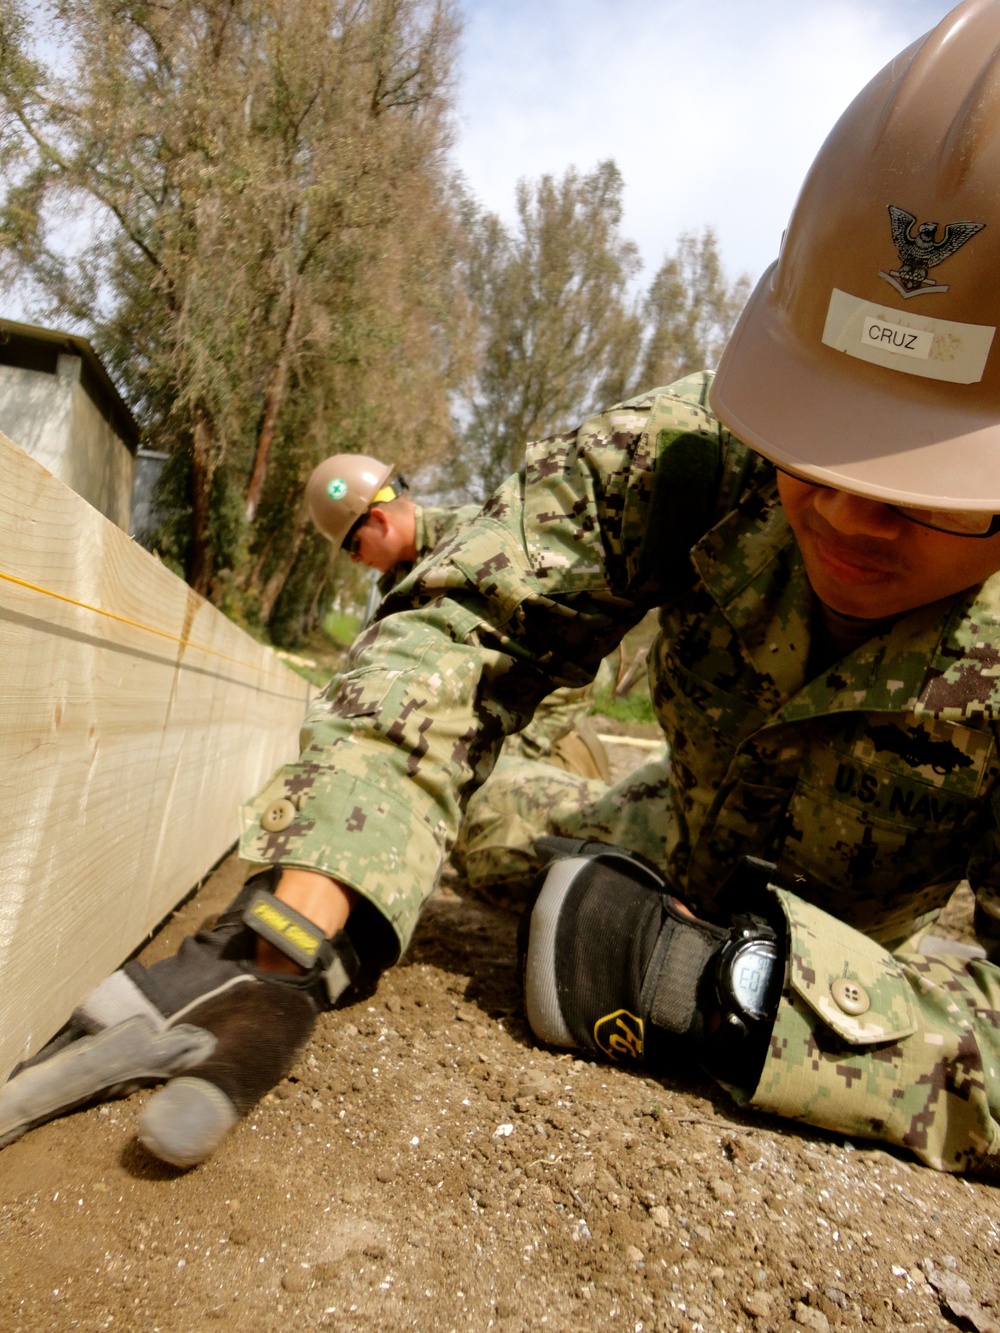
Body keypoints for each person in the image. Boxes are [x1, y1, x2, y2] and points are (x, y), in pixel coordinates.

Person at [3, 0, 1000, 1178]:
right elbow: (466, 629)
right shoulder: (688, 458)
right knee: (448, 823)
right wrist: (290, 926)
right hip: (658, 835)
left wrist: (710, 991)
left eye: (913, 482)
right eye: (816, 447)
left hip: (862, 952)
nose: (840, 510)